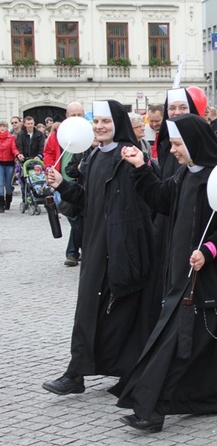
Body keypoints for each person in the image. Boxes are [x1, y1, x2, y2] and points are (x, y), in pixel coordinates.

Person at [114, 114, 217, 433]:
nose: (173, 150)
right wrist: (141, 167)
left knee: (181, 345)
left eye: (177, 144)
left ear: (193, 143)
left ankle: (152, 410)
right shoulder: (185, 175)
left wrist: (208, 251)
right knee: (209, 346)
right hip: (182, 278)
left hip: (210, 282)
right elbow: (161, 199)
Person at [42, 100, 155, 396]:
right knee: (87, 310)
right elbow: (87, 200)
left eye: (106, 122)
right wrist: (62, 186)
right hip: (95, 244)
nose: (100, 127)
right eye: (97, 122)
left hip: (123, 247)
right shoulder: (92, 158)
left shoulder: (128, 156)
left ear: (117, 123)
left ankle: (128, 372)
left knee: (123, 312)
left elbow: (145, 199)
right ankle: (76, 372)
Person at [42, 103, 86, 266]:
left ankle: (73, 253)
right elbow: (48, 152)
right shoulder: (58, 133)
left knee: (77, 218)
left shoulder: (88, 132)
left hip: (79, 181)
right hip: (62, 180)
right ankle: (77, 250)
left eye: (79, 115)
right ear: (67, 116)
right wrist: (50, 168)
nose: (76, 118)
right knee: (73, 217)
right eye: (73, 115)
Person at [0, 119, 19, 212]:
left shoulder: (11, 138)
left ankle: (8, 201)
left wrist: (17, 154)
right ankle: (1, 204)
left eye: (4, 126)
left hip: (9, 163)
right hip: (0, 163)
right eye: (1, 126)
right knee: (0, 184)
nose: (2, 128)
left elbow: (14, 148)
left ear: (7, 128)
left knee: (8, 184)